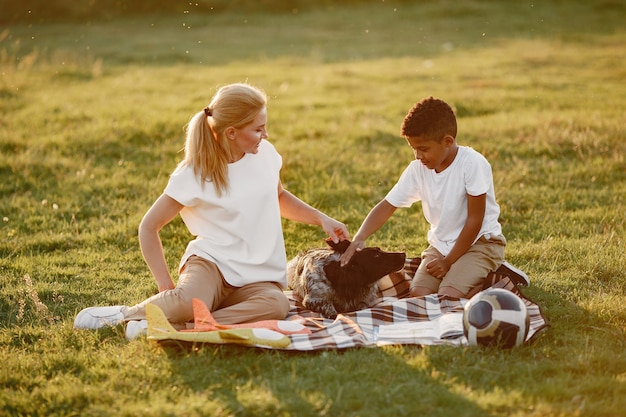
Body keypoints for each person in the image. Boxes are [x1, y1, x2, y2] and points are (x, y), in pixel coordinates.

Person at [74, 83, 350, 339]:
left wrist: (321, 219)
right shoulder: (194, 173)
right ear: (232, 133)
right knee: (188, 300)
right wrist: (165, 286)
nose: (265, 135)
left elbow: (278, 196)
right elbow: (149, 227)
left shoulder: (265, 154)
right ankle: (123, 315)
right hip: (211, 264)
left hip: (257, 276)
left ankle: (182, 326)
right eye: (258, 129)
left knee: (276, 305)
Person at [340, 96, 524, 299]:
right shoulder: (418, 169)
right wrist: (359, 238)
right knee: (418, 295)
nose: (418, 156)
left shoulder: (472, 164)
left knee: (448, 295)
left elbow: (475, 220)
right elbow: (387, 205)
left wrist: (449, 262)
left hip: (481, 244)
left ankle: (497, 277)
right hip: (441, 246)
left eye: (423, 149)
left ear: (447, 141)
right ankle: (464, 274)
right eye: (414, 149)